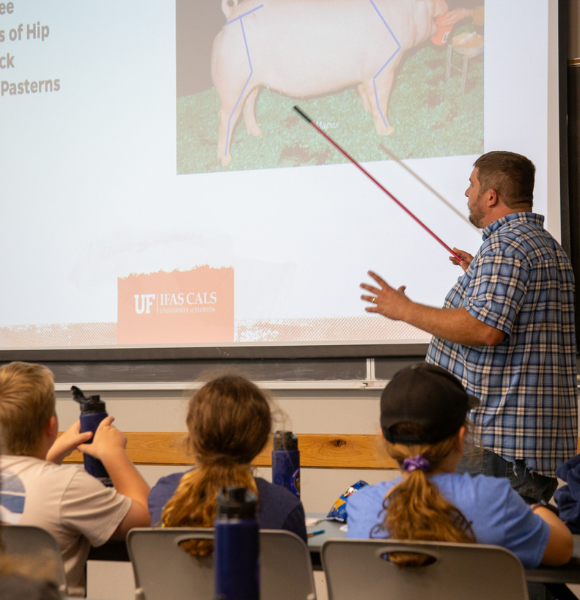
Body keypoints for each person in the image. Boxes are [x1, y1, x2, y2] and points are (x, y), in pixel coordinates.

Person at [360, 151, 577, 502]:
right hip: (523, 448)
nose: (466, 193)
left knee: (476, 556)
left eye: (472, 184)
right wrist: (478, 272)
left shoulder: (505, 248)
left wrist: (405, 309)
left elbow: (484, 329)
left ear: (491, 196)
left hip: (497, 447)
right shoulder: (544, 245)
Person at [346, 363, 573, 572]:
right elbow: (563, 550)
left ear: (384, 441)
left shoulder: (360, 506)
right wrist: (532, 507)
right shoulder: (495, 500)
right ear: (460, 438)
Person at [0, 361, 151, 597]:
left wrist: (50, 454)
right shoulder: (68, 485)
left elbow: (24, 487)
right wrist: (114, 454)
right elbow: (146, 518)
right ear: (51, 426)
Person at [149, 374, 307, 556]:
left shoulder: (163, 494)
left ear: (191, 430)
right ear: (262, 440)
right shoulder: (285, 507)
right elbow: (292, 581)